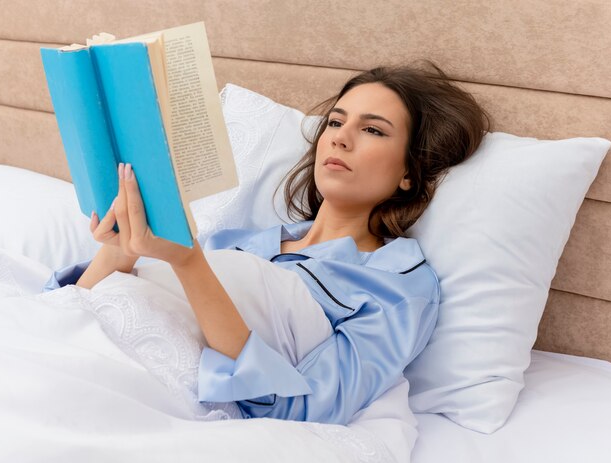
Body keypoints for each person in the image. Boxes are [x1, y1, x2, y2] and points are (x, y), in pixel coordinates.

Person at [43, 63, 489, 425]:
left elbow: (306, 409)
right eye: (335, 121)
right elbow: (72, 308)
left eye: (373, 130)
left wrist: (190, 263)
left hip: (151, 393)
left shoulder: (397, 283)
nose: (339, 136)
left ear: (408, 172)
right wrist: (121, 250)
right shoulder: (235, 241)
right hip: (78, 351)